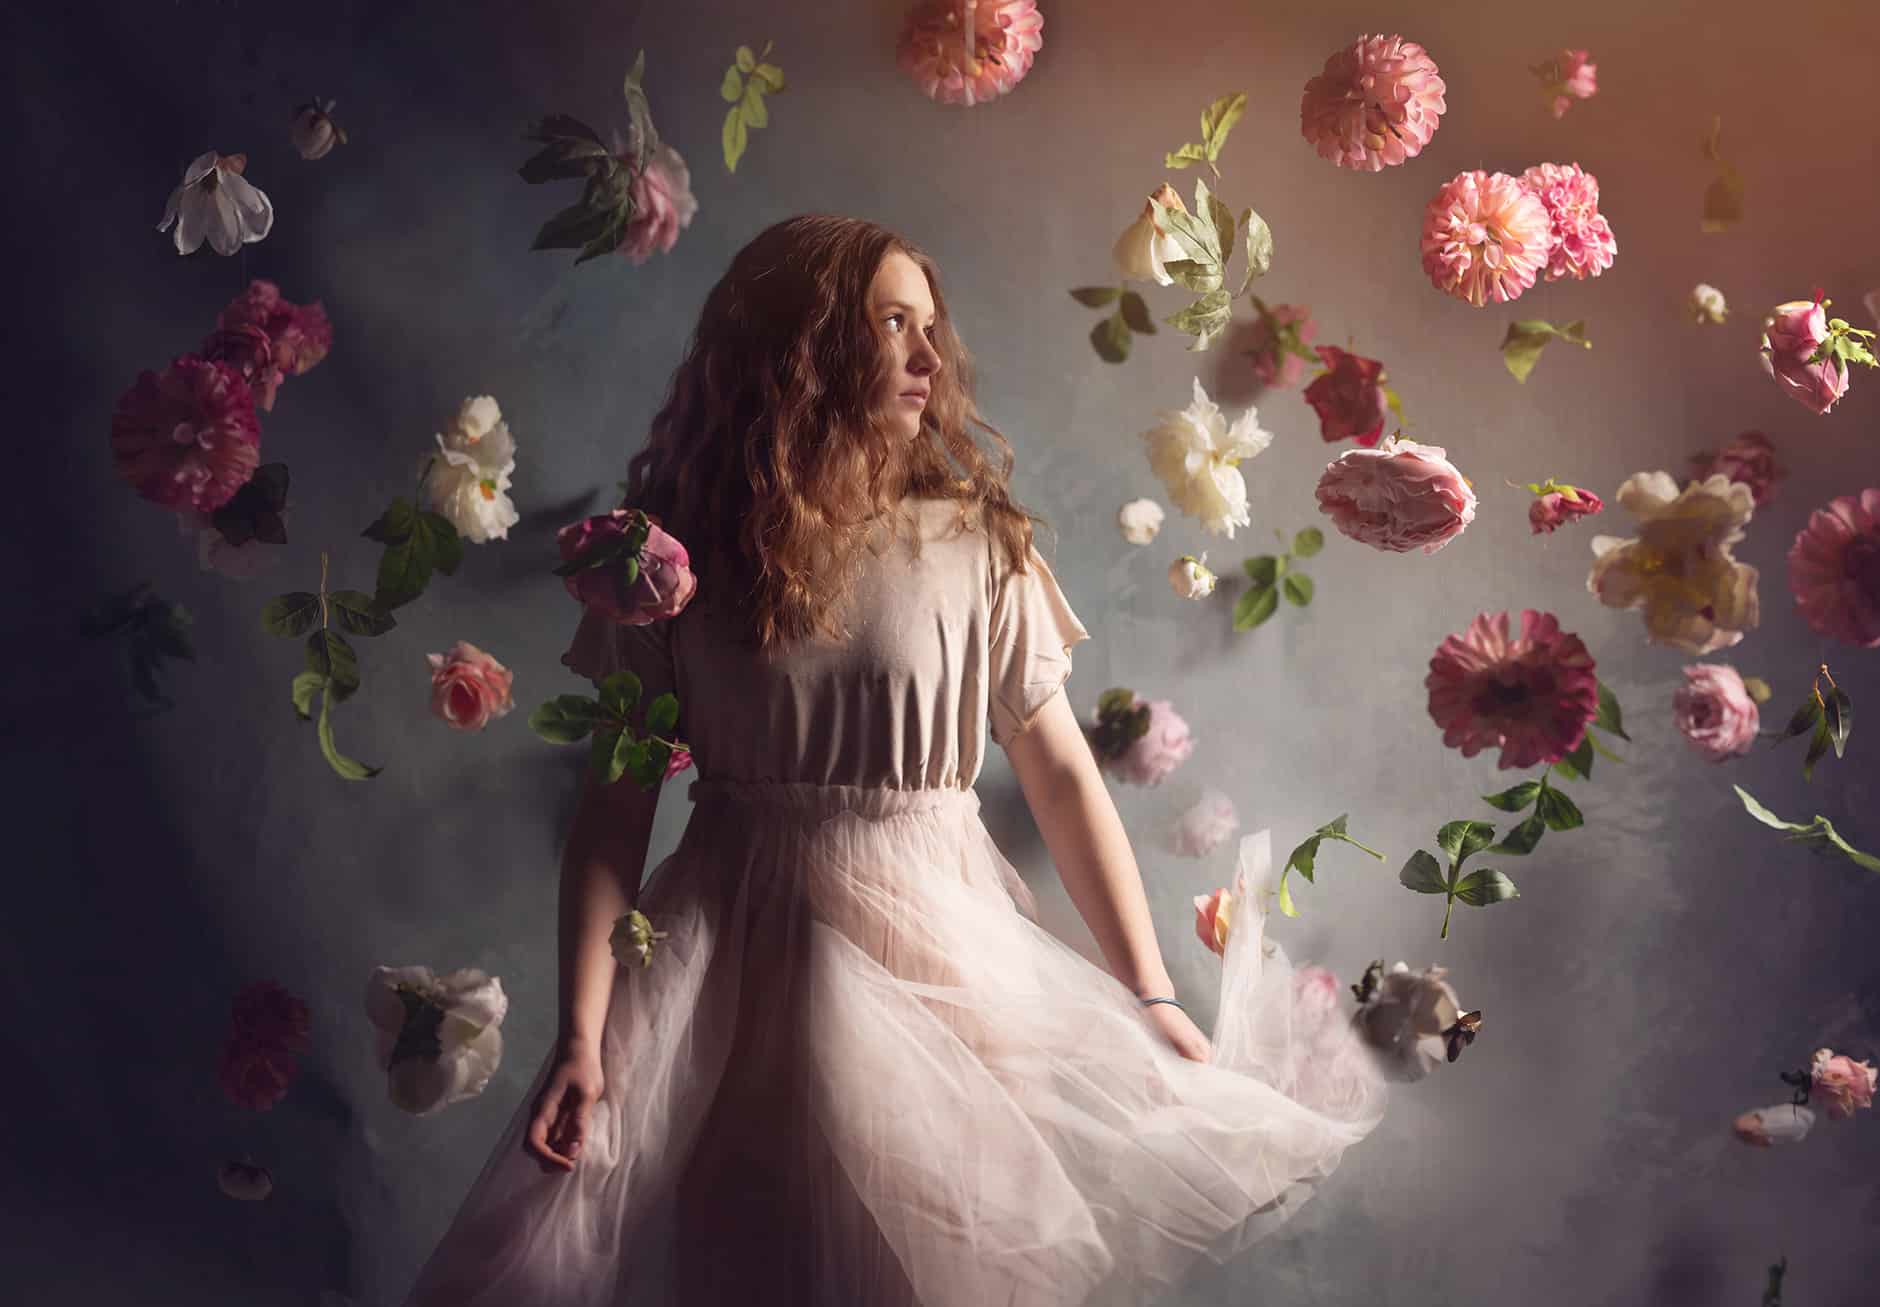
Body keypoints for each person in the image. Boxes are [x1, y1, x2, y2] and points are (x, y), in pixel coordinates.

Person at [399, 214, 1383, 1307]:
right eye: (889, 324)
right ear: (800, 349)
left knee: (933, 1261)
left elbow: (1060, 776)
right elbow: (614, 810)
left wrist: (1148, 989)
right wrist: (583, 1033)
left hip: (940, 961)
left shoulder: (976, 544)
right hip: (736, 967)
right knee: (749, 1258)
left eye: (930, 325)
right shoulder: (673, 566)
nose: (927, 355)